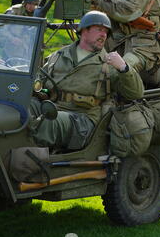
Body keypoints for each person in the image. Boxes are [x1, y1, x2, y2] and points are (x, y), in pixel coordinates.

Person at [30, 11, 144, 151]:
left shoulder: (108, 63)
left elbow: (136, 93)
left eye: (106, 32)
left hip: (83, 120)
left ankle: (27, 162)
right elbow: (40, 80)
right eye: (99, 30)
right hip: (52, 106)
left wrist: (124, 68)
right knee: (19, 108)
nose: (103, 35)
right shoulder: (59, 55)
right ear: (84, 30)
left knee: (48, 122)